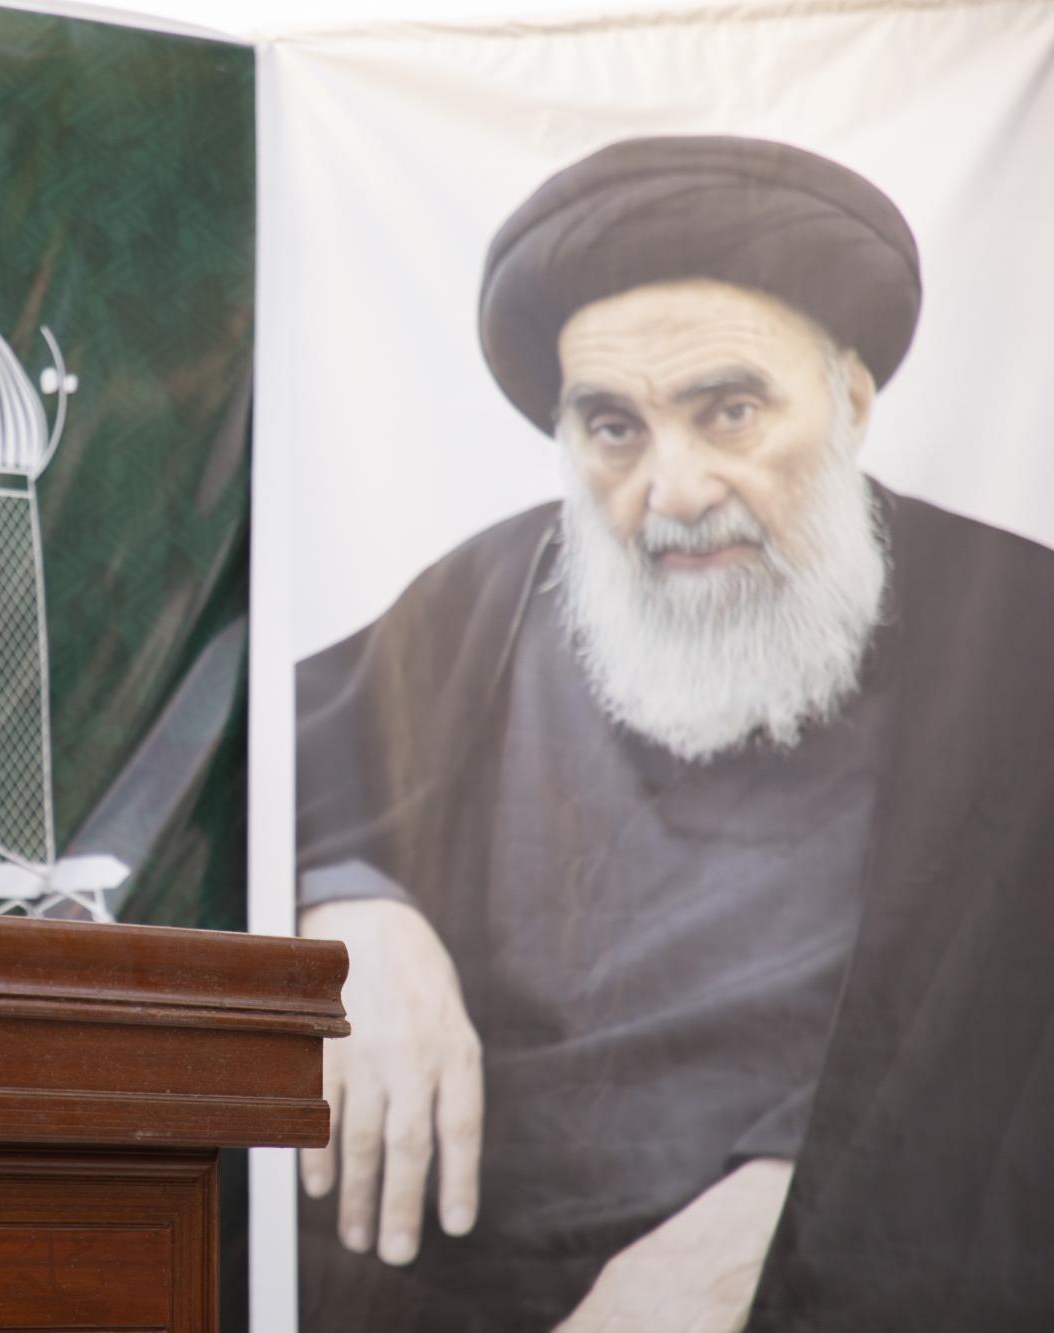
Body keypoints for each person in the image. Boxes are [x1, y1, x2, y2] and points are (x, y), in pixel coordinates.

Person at [295, 136, 1054, 1332]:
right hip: (456, 1271)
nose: (675, 490)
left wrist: (810, 1205)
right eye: (613, 428)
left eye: (729, 411)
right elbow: (272, 775)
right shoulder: (492, 596)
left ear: (850, 405)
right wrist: (346, 910)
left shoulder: (1015, 634)